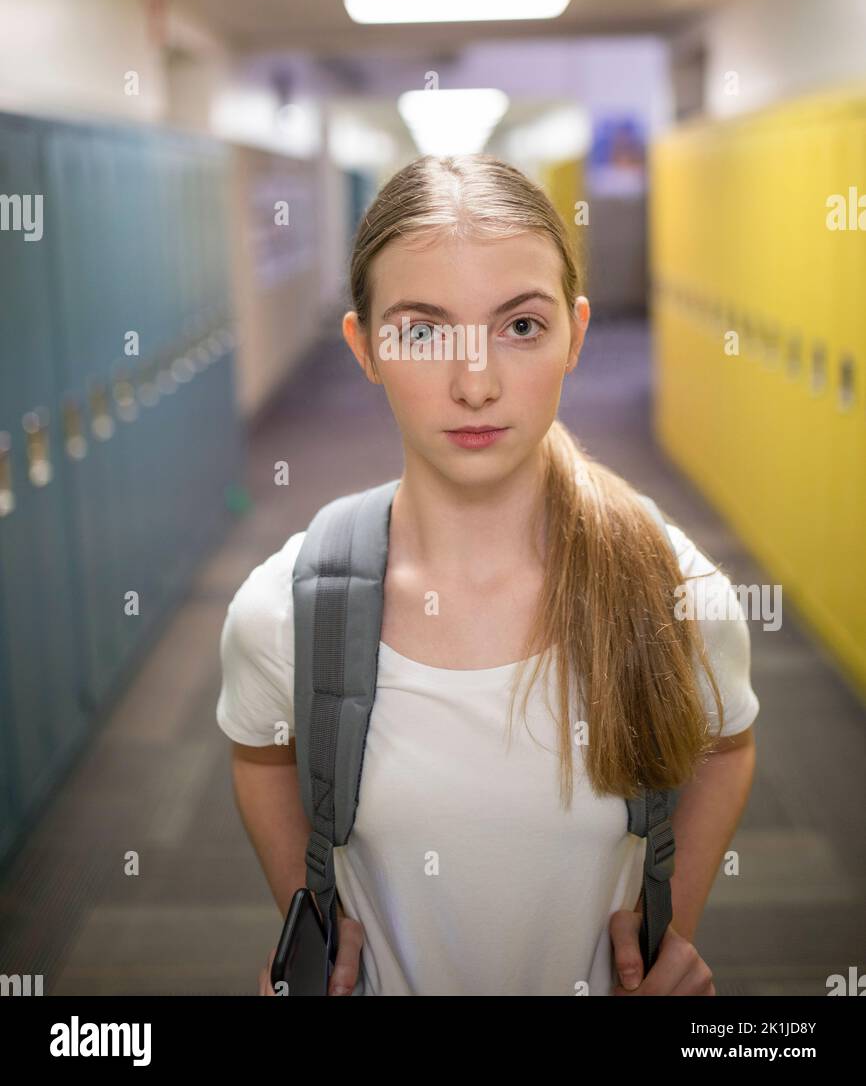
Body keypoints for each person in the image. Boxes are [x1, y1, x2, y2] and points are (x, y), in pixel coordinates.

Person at [216, 152, 759, 996]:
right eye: (423, 332)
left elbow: (727, 747)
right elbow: (261, 760)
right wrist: (313, 926)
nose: (476, 384)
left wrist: (666, 932)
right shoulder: (284, 616)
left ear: (575, 334)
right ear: (364, 347)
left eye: (520, 326)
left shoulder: (676, 596)